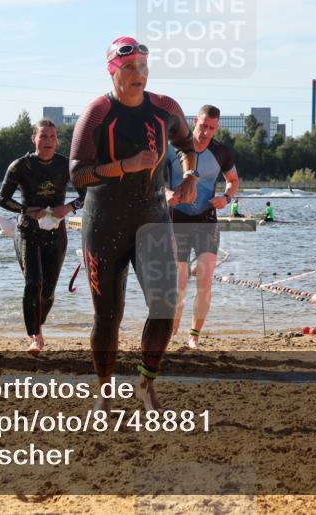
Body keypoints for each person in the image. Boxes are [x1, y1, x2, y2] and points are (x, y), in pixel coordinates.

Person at [70, 36, 198, 411]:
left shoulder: (165, 108)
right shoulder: (96, 113)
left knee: (164, 305)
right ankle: (105, 390)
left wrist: (190, 176)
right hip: (104, 223)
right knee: (108, 315)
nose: (137, 73)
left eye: (143, 66)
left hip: (152, 219)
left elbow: (187, 146)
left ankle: (145, 382)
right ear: (113, 71)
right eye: (129, 67)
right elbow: (77, 175)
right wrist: (125, 166)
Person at [0, 120, 84, 355]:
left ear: (57, 140)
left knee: (47, 291)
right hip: (28, 230)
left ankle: (38, 324)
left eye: (53, 137)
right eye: (43, 136)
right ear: (33, 139)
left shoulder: (65, 165)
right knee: (33, 283)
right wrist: (27, 210)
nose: (48, 141)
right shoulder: (20, 166)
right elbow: (2, 199)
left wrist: (67, 208)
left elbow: (87, 194)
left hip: (56, 232)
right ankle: (35, 336)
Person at [164, 104, 240, 349]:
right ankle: (171, 327)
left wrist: (226, 199)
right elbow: (153, 181)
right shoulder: (174, 148)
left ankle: (194, 335)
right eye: (203, 126)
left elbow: (233, 181)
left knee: (205, 279)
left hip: (206, 218)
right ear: (194, 120)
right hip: (177, 219)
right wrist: (166, 194)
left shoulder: (221, 152)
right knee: (179, 282)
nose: (206, 132)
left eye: (212, 128)